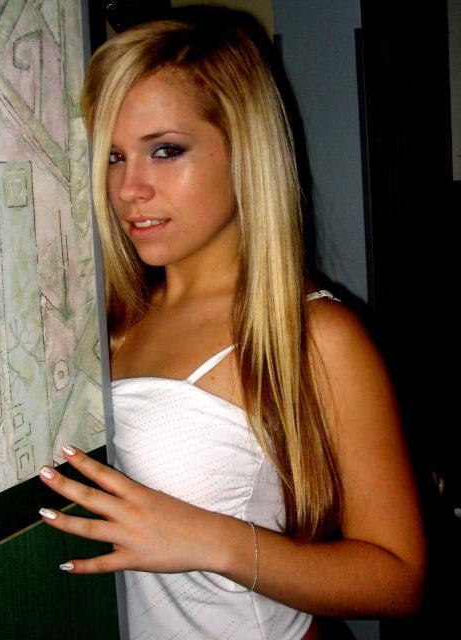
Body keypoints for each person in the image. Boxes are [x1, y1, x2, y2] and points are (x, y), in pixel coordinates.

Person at [38, 7, 426, 639]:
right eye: (113, 156)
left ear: (244, 151)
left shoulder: (314, 336)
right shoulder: (106, 319)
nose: (129, 188)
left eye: (166, 150)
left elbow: (399, 580)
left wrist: (209, 540)